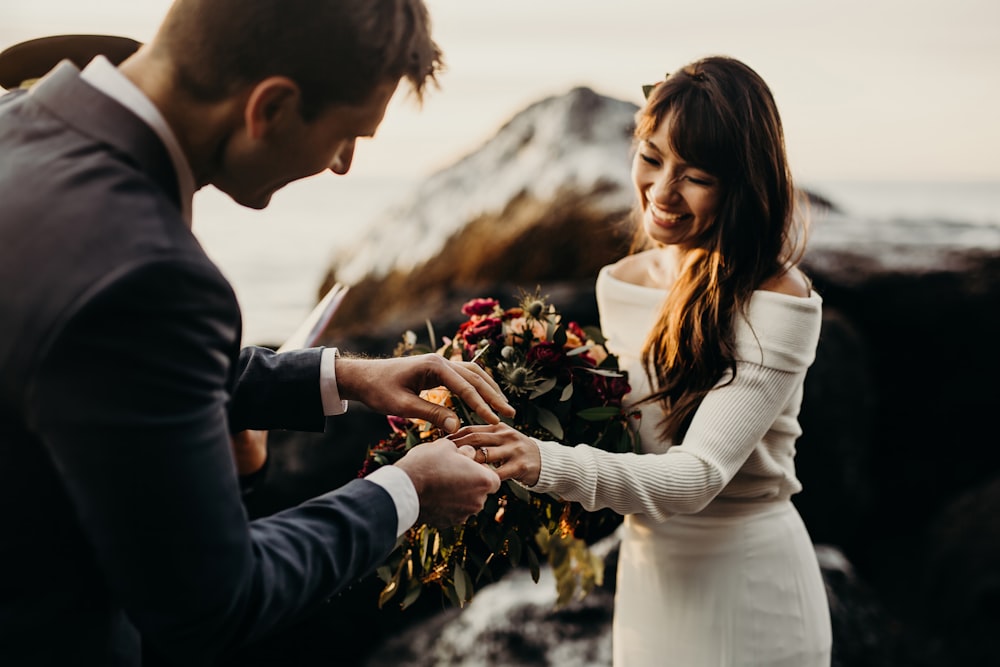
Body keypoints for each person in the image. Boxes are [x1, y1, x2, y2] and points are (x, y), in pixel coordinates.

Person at [0, 1, 516, 665]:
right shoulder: (148, 272)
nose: (343, 164)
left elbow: (96, 361)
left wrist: (345, 376)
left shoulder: (18, 122)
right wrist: (407, 491)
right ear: (269, 108)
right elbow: (214, 603)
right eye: (347, 134)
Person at [454, 56, 832, 666]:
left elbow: (697, 476)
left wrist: (539, 459)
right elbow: (632, 444)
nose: (661, 192)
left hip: (750, 589)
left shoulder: (776, 298)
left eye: (696, 176)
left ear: (742, 183)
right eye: (651, 158)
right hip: (649, 579)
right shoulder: (621, 281)